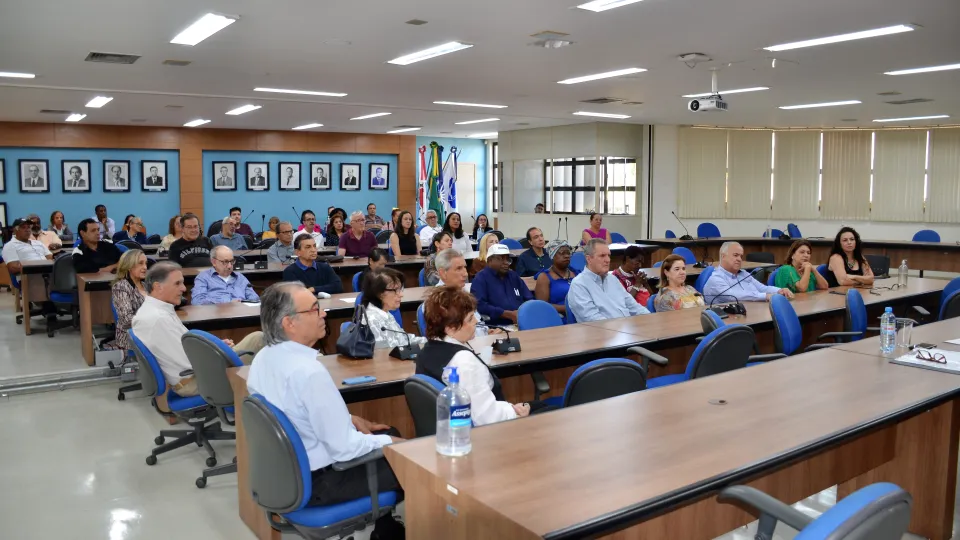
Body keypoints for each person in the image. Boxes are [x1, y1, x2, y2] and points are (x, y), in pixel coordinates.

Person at [245, 282, 406, 536]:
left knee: (387, 432)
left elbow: (294, 412)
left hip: (286, 474)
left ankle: (386, 529)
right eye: (314, 309)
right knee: (412, 461)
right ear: (289, 323)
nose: (324, 313)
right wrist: (395, 444)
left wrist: (347, 418)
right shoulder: (308, 372)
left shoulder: (264, 358)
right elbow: (344, 449)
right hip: (322, 482)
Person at [418, 286, 549, 426]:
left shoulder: (427, 351)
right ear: (450, 328)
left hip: (450, 427)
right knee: (551, 412)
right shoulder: (463, 361)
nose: (476, 321)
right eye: (470, 318)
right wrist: (514, 411)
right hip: (492, 430)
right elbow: (486, 417)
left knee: (540, 406)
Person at [133, 262, 265, 396]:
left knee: (256, 338)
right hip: (196, 381)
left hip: (195, 374)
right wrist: (217, 350)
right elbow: (190, 362)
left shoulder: (157, 310)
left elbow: (184, 348)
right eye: (177, 283)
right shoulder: (159, 319)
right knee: (259, 340)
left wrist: (216, 346)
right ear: (158, 287)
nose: (184, 288)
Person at [568, 239, 650, 322]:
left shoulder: (612, 279)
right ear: (589, 259)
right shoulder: (579, 285)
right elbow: (593, 320)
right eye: (602, 256)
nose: (608, 260)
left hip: (626, 327)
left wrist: (651, 319)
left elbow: (634, 307)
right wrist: (623, 327)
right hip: (603, 329)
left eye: (609, 255)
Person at [703, 242, 794, 304]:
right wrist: (765, 296)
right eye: (735, 255)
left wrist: (779, 290)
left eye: (741, 256)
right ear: (723, 256)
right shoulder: (716, 279)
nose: (739, 259)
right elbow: (733, 296)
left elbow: (762, 288)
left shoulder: (743, 274)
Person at [362, 268, 427, 350]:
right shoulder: (372, 320)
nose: (401, 294)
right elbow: (384, 353)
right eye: (395, 290)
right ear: (379, 293)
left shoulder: (385, 313)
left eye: (400, 289)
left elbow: (404, 339)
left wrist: (430, 342)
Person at [471, 244, 533, 325]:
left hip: (521, 321)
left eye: (507, 259)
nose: (506, 263)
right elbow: (480, 305)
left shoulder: (513, 276)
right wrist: (506, 314)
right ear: (489, 261)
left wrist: (524, 311)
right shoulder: (480, 279)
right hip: (496, 325)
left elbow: (529, 298)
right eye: (500, 259)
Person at [191, 246, 261, 305]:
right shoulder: (203, 277)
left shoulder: (240, 277)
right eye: (225, 262)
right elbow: (197, 301)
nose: (230, 266)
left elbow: (255, 299)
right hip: (217, 314)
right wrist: (227, 303)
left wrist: (243, 303)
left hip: (242, 313)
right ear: (214, 262)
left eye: (232, 261)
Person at [111, 249, 148, 351]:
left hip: (150, 333)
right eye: (140, 263)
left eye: (146, 263)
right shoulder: (121, 287)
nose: (145, 267)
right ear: (129, 266)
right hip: (131, 338)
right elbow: (127, 320)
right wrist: (153, 319)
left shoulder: (146, 285)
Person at [534, 241, 577, 316]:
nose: (567, 256)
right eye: (562, 253)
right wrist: (569, 308)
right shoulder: (544, 277)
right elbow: (542, 306)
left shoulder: (576, 274)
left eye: (568, 253)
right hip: (558, 318)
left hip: (582, 315)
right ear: (552, 256)